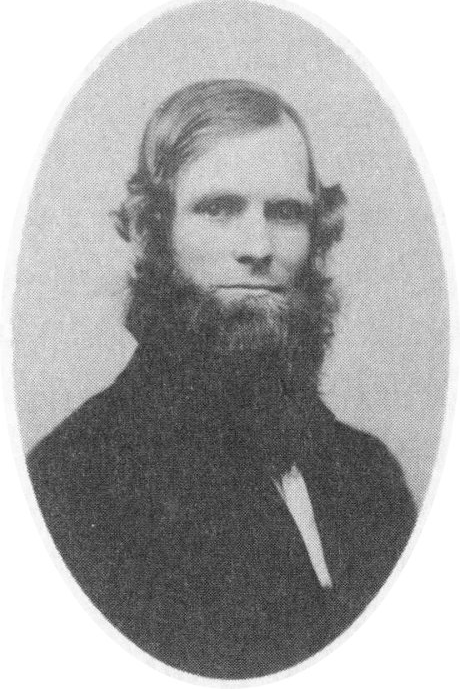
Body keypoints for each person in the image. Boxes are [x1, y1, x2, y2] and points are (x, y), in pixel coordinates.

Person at [27, 79, 416, 679]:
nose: (259, 247)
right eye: (218, 209)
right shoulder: (73, 482)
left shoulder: (370, 477)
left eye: (286, 213)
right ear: (154, 231)